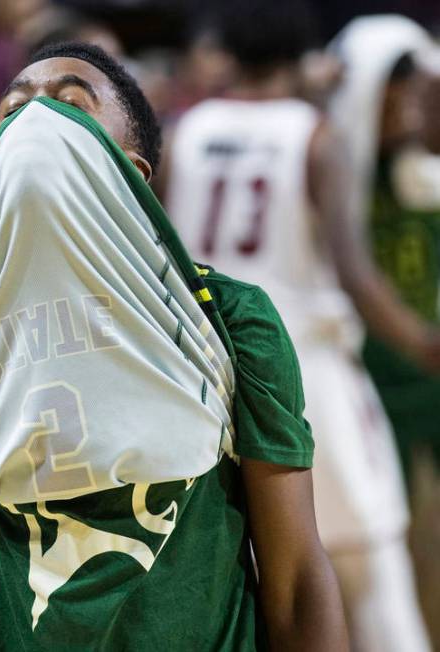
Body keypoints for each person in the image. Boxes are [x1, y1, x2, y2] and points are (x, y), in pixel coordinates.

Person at [0, 41, 347, 651]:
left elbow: (294, 582)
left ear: (133, 174)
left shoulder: (232, 322)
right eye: (11, 110)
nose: (36, 120)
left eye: (72, 105)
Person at [163, 4, 435, 650]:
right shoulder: (316, 137)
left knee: (260, 586)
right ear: (301, 48)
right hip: (308, 377)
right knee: (373, 580)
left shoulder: (183, 133)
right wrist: (425, 343)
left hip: (206, 381)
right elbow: (357, 278)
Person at [329, 15, 440, 645]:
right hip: (375, 375)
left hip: (429, 372)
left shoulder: (428, 158)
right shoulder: (339, 164)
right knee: (387, 541)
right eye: (394, 95)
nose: (408, 109)